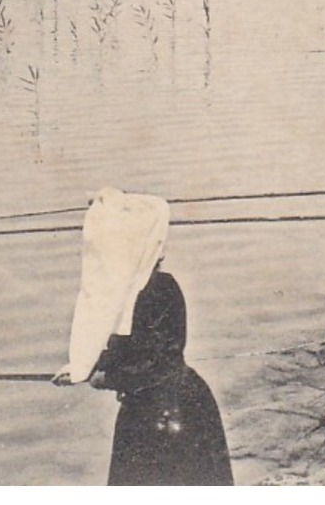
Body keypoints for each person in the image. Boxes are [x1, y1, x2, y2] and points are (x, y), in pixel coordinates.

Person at [53, 189, 233, 486]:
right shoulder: (145, 289)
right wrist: (83, 368)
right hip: (179, 404)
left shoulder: (152, 291)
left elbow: (155, 363)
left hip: (163, 417)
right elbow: (128, 345)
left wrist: (106, 378)